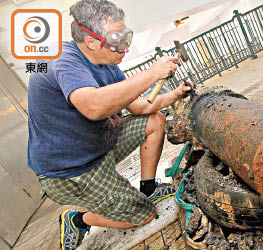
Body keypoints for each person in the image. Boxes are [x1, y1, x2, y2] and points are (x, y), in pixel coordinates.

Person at [27, 0, 191, 249]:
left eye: (127, 37)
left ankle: (148, 188)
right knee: (144, 215)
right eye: (117, 40)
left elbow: (140, 106)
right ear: (91, 41)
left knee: (154, 120)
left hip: (100, 142)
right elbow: (93, 107)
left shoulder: (107, 63)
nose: (125, 48)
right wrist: (151, 73)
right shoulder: (60, 59)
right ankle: (78, 219)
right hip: (74, 170)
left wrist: (176, 94)